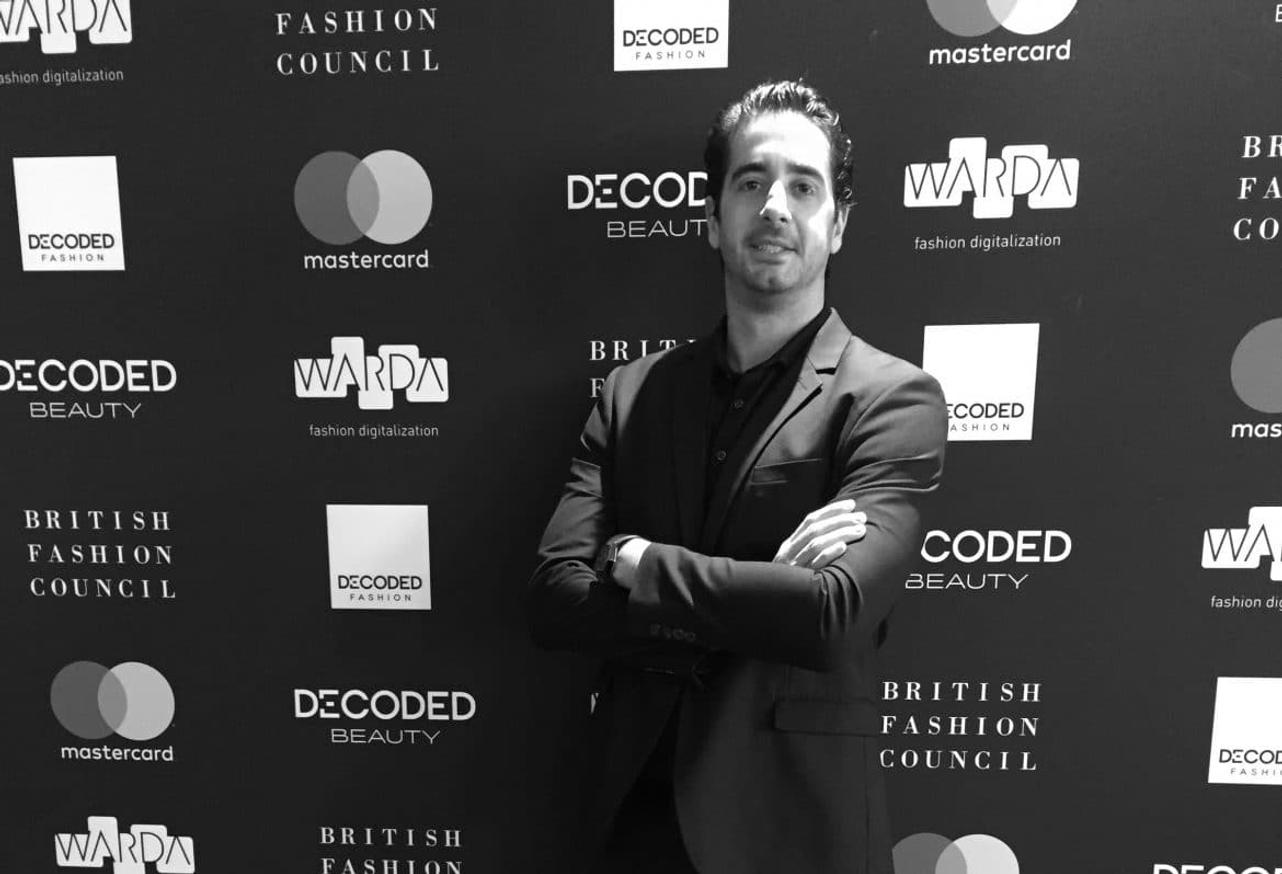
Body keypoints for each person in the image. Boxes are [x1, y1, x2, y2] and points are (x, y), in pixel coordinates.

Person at [527, 79, 947, 874]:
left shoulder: (894, 399)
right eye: (751, 183)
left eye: (803, 186)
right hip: (633, 819)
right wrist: (765, 593)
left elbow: (829, 615)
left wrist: (641, 565)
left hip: (796, 828)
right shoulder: (631, 393)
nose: (775, 207)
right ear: (713, 218)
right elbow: (554, 598)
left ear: (839, 224)